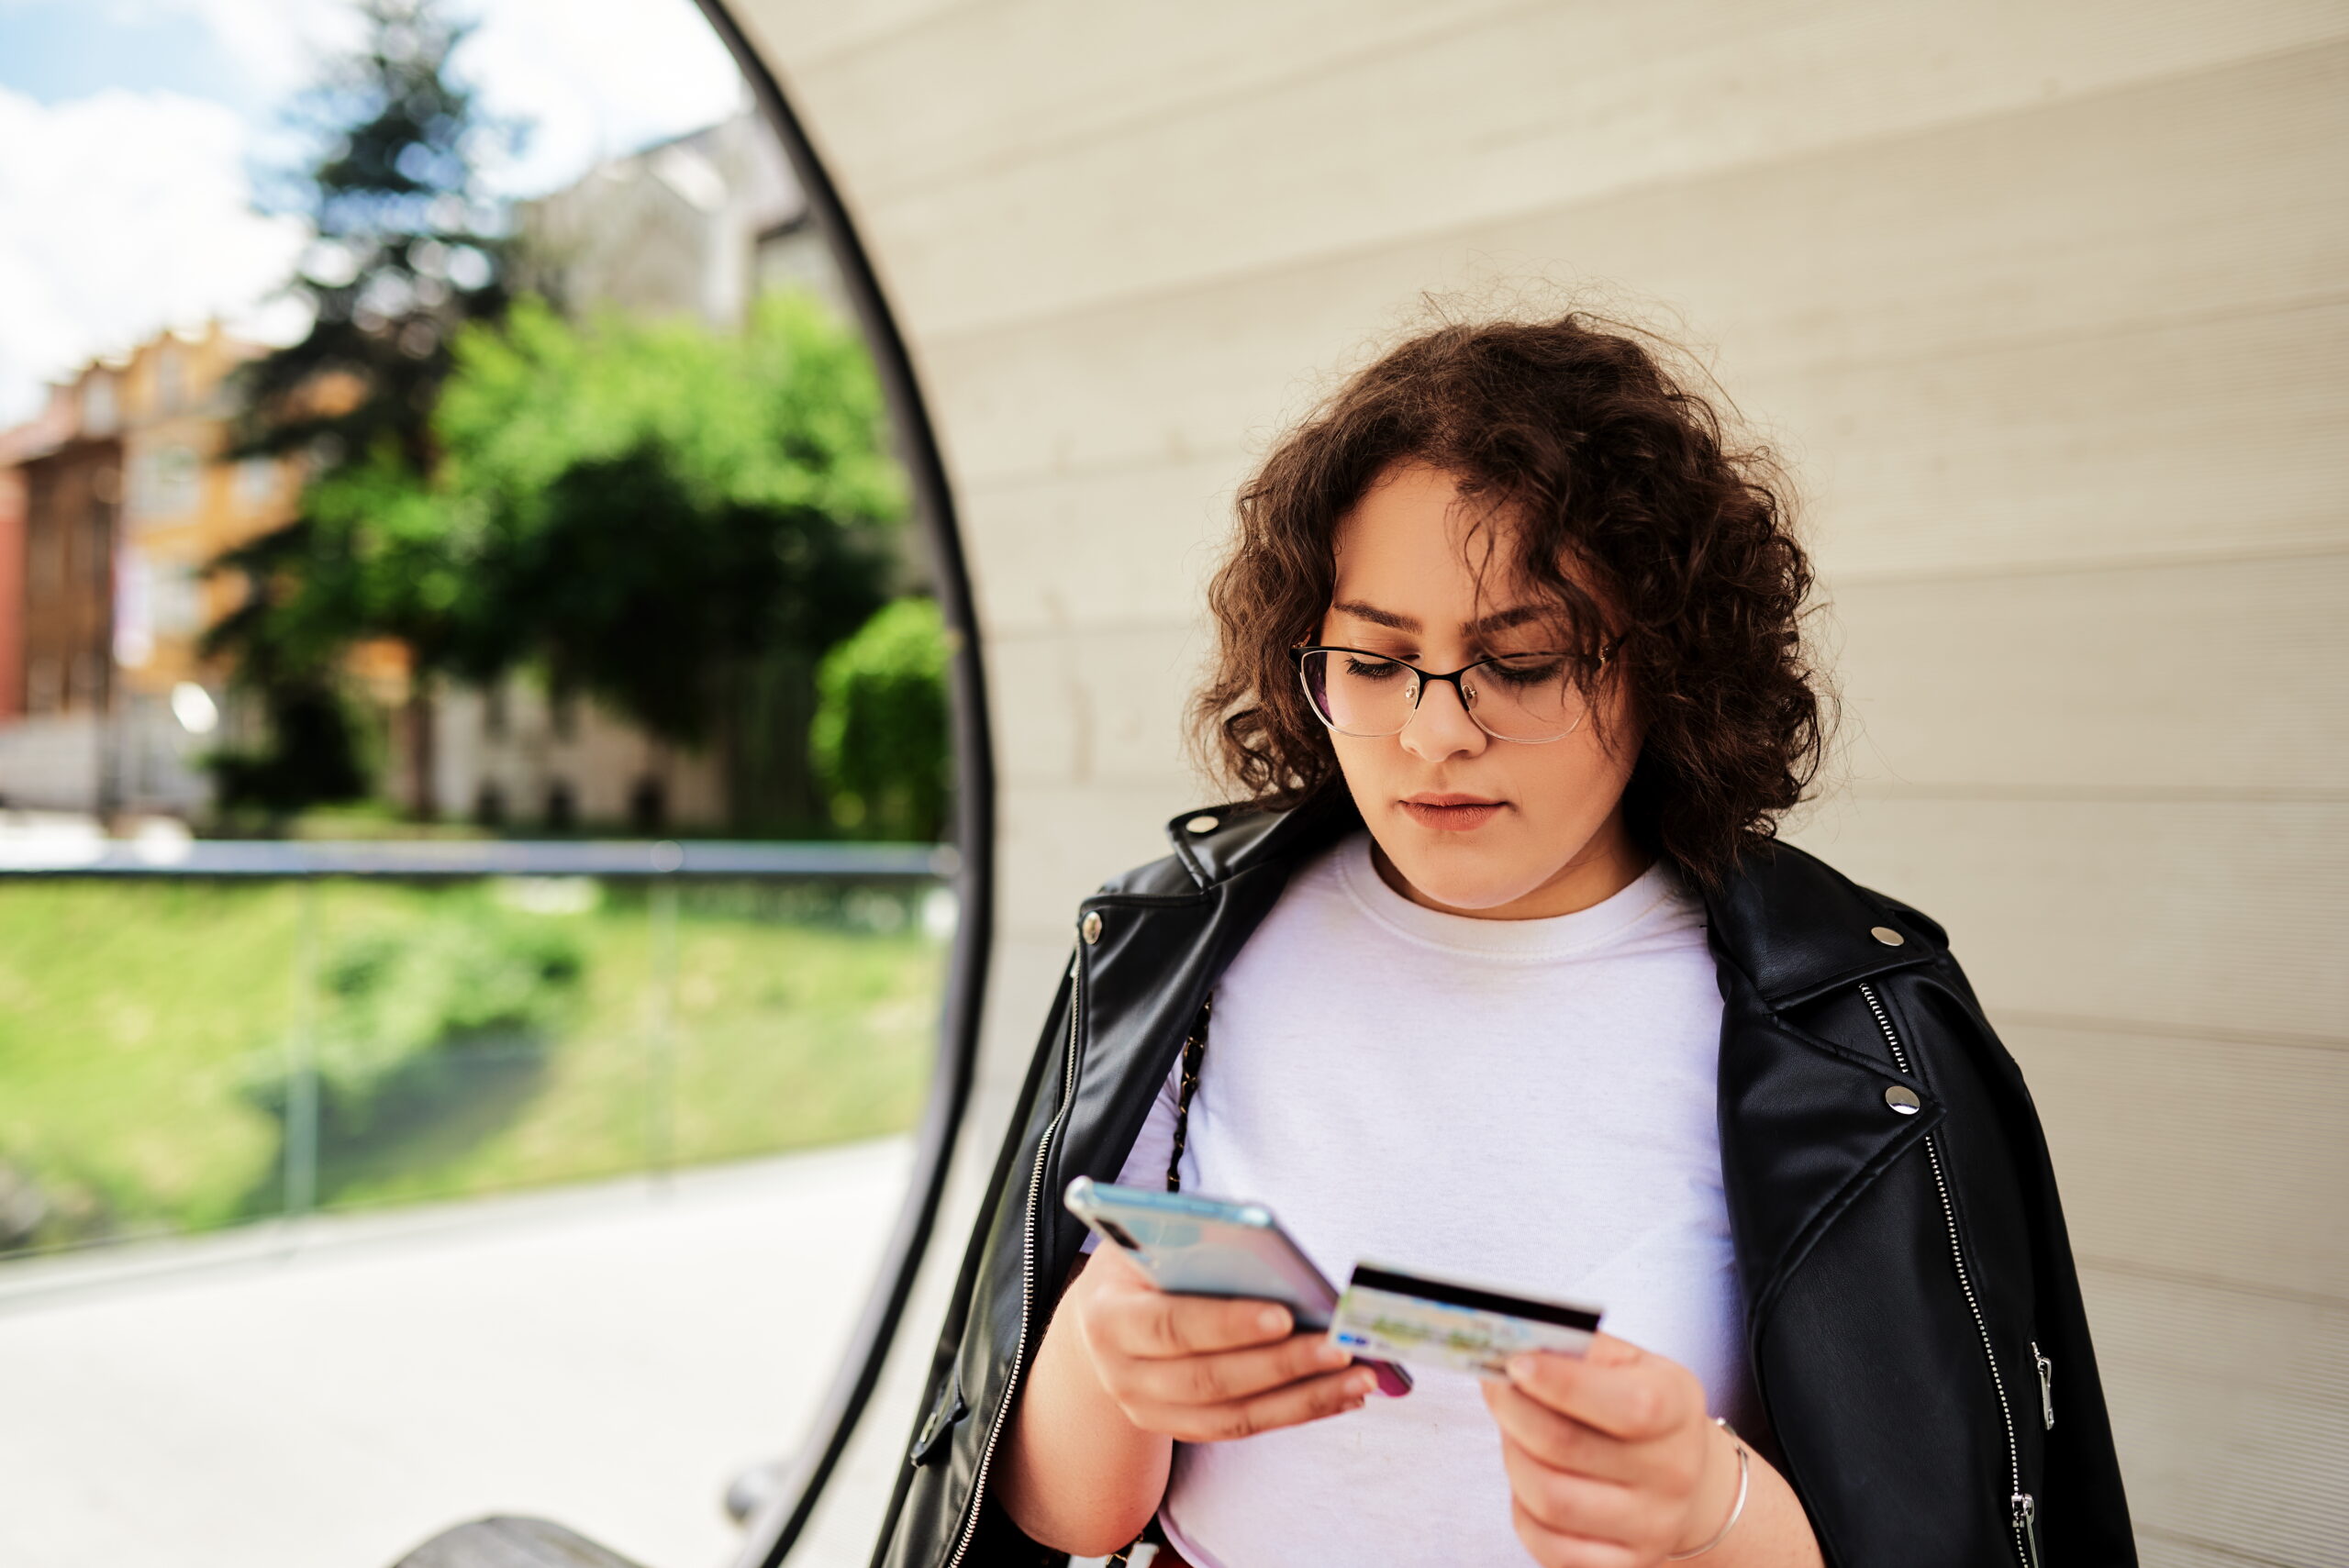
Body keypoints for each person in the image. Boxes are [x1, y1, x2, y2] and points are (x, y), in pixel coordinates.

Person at [874, 315, 2134, 1567]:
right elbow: (1052, 1512)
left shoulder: (1854, 1023)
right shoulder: (1181, 951)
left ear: (1671, 663)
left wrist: (1711, 1512)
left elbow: (1938, 1524)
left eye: (1519, 663)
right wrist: (1104, 1351)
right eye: (1373, 659)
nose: (1433, 736)